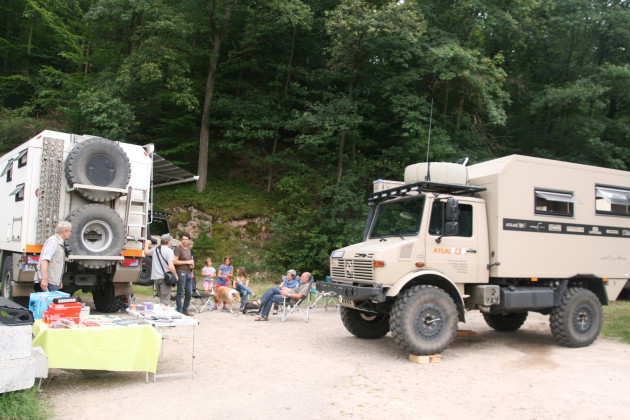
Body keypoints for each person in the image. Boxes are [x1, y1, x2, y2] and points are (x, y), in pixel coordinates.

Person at [36, 221, 72, 292]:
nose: (70, 233)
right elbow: (44, 261)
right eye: (69, 231)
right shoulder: (53, 242)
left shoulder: (59, 243)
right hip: (49, 282)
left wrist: (59, 281)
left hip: (53, 282)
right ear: (64, 232)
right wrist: (45, 279)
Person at [144, 234, 177, 307]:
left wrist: (146, 244)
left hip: (156, 278)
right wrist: (175, 275)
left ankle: (162, 314)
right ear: (168, 242)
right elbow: (171, 266)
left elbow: (146, 252)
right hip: (165, 278)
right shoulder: (169, 251)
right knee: (165, 302)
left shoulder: (155, 249)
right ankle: (164, 315)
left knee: (161, 298)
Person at [174, 234, 195, 316]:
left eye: (186, 239)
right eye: (183, 239)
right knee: (180, 292)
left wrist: (191, 265)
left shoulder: (189, 249)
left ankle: (185, 309)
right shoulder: (178, 249)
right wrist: (187, 262)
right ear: (181, 240)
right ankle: (179, 310)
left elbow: (191, 260)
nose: (184, 241)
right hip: (181, 272)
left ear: (188, 240)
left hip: (188, 272)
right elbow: (175, 261)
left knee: (189, 292)